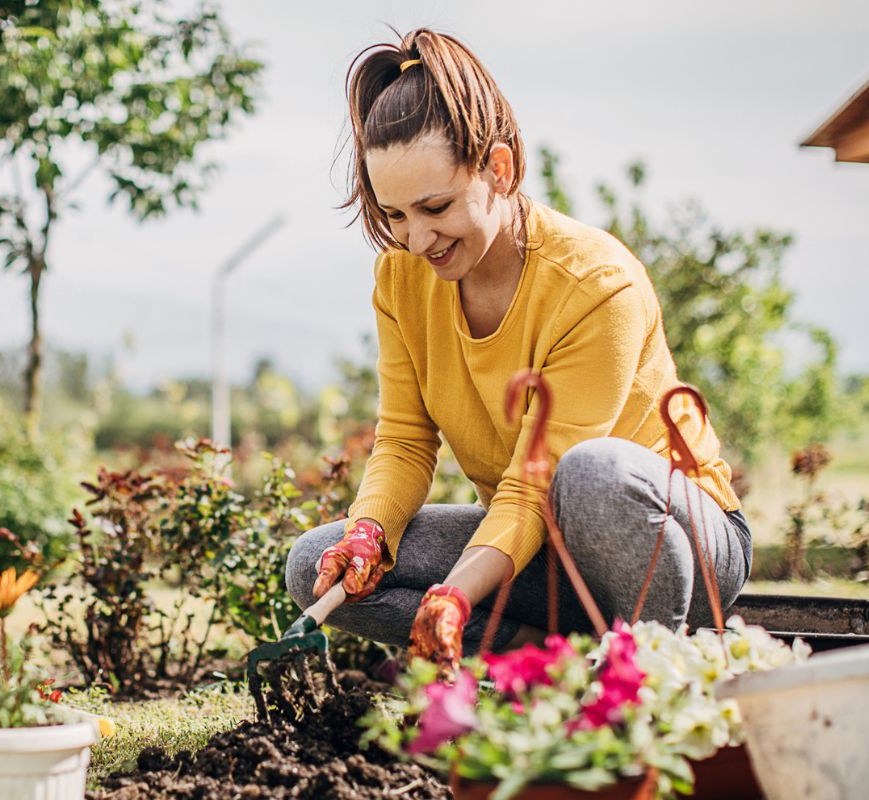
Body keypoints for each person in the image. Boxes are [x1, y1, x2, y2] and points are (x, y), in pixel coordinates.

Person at [285, 28, 751, 680]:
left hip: (678, 544)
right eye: (394, 215)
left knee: (589, 475)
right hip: (539, 551)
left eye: (435, 206)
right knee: (314, 563)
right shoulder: (401, 280)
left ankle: (646, 667)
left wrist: (456, 594)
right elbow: (405, 442)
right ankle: (544, 666)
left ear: (498, 169)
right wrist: (368, 532)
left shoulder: (594, 284)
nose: (416, 238)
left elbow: (538, 486)